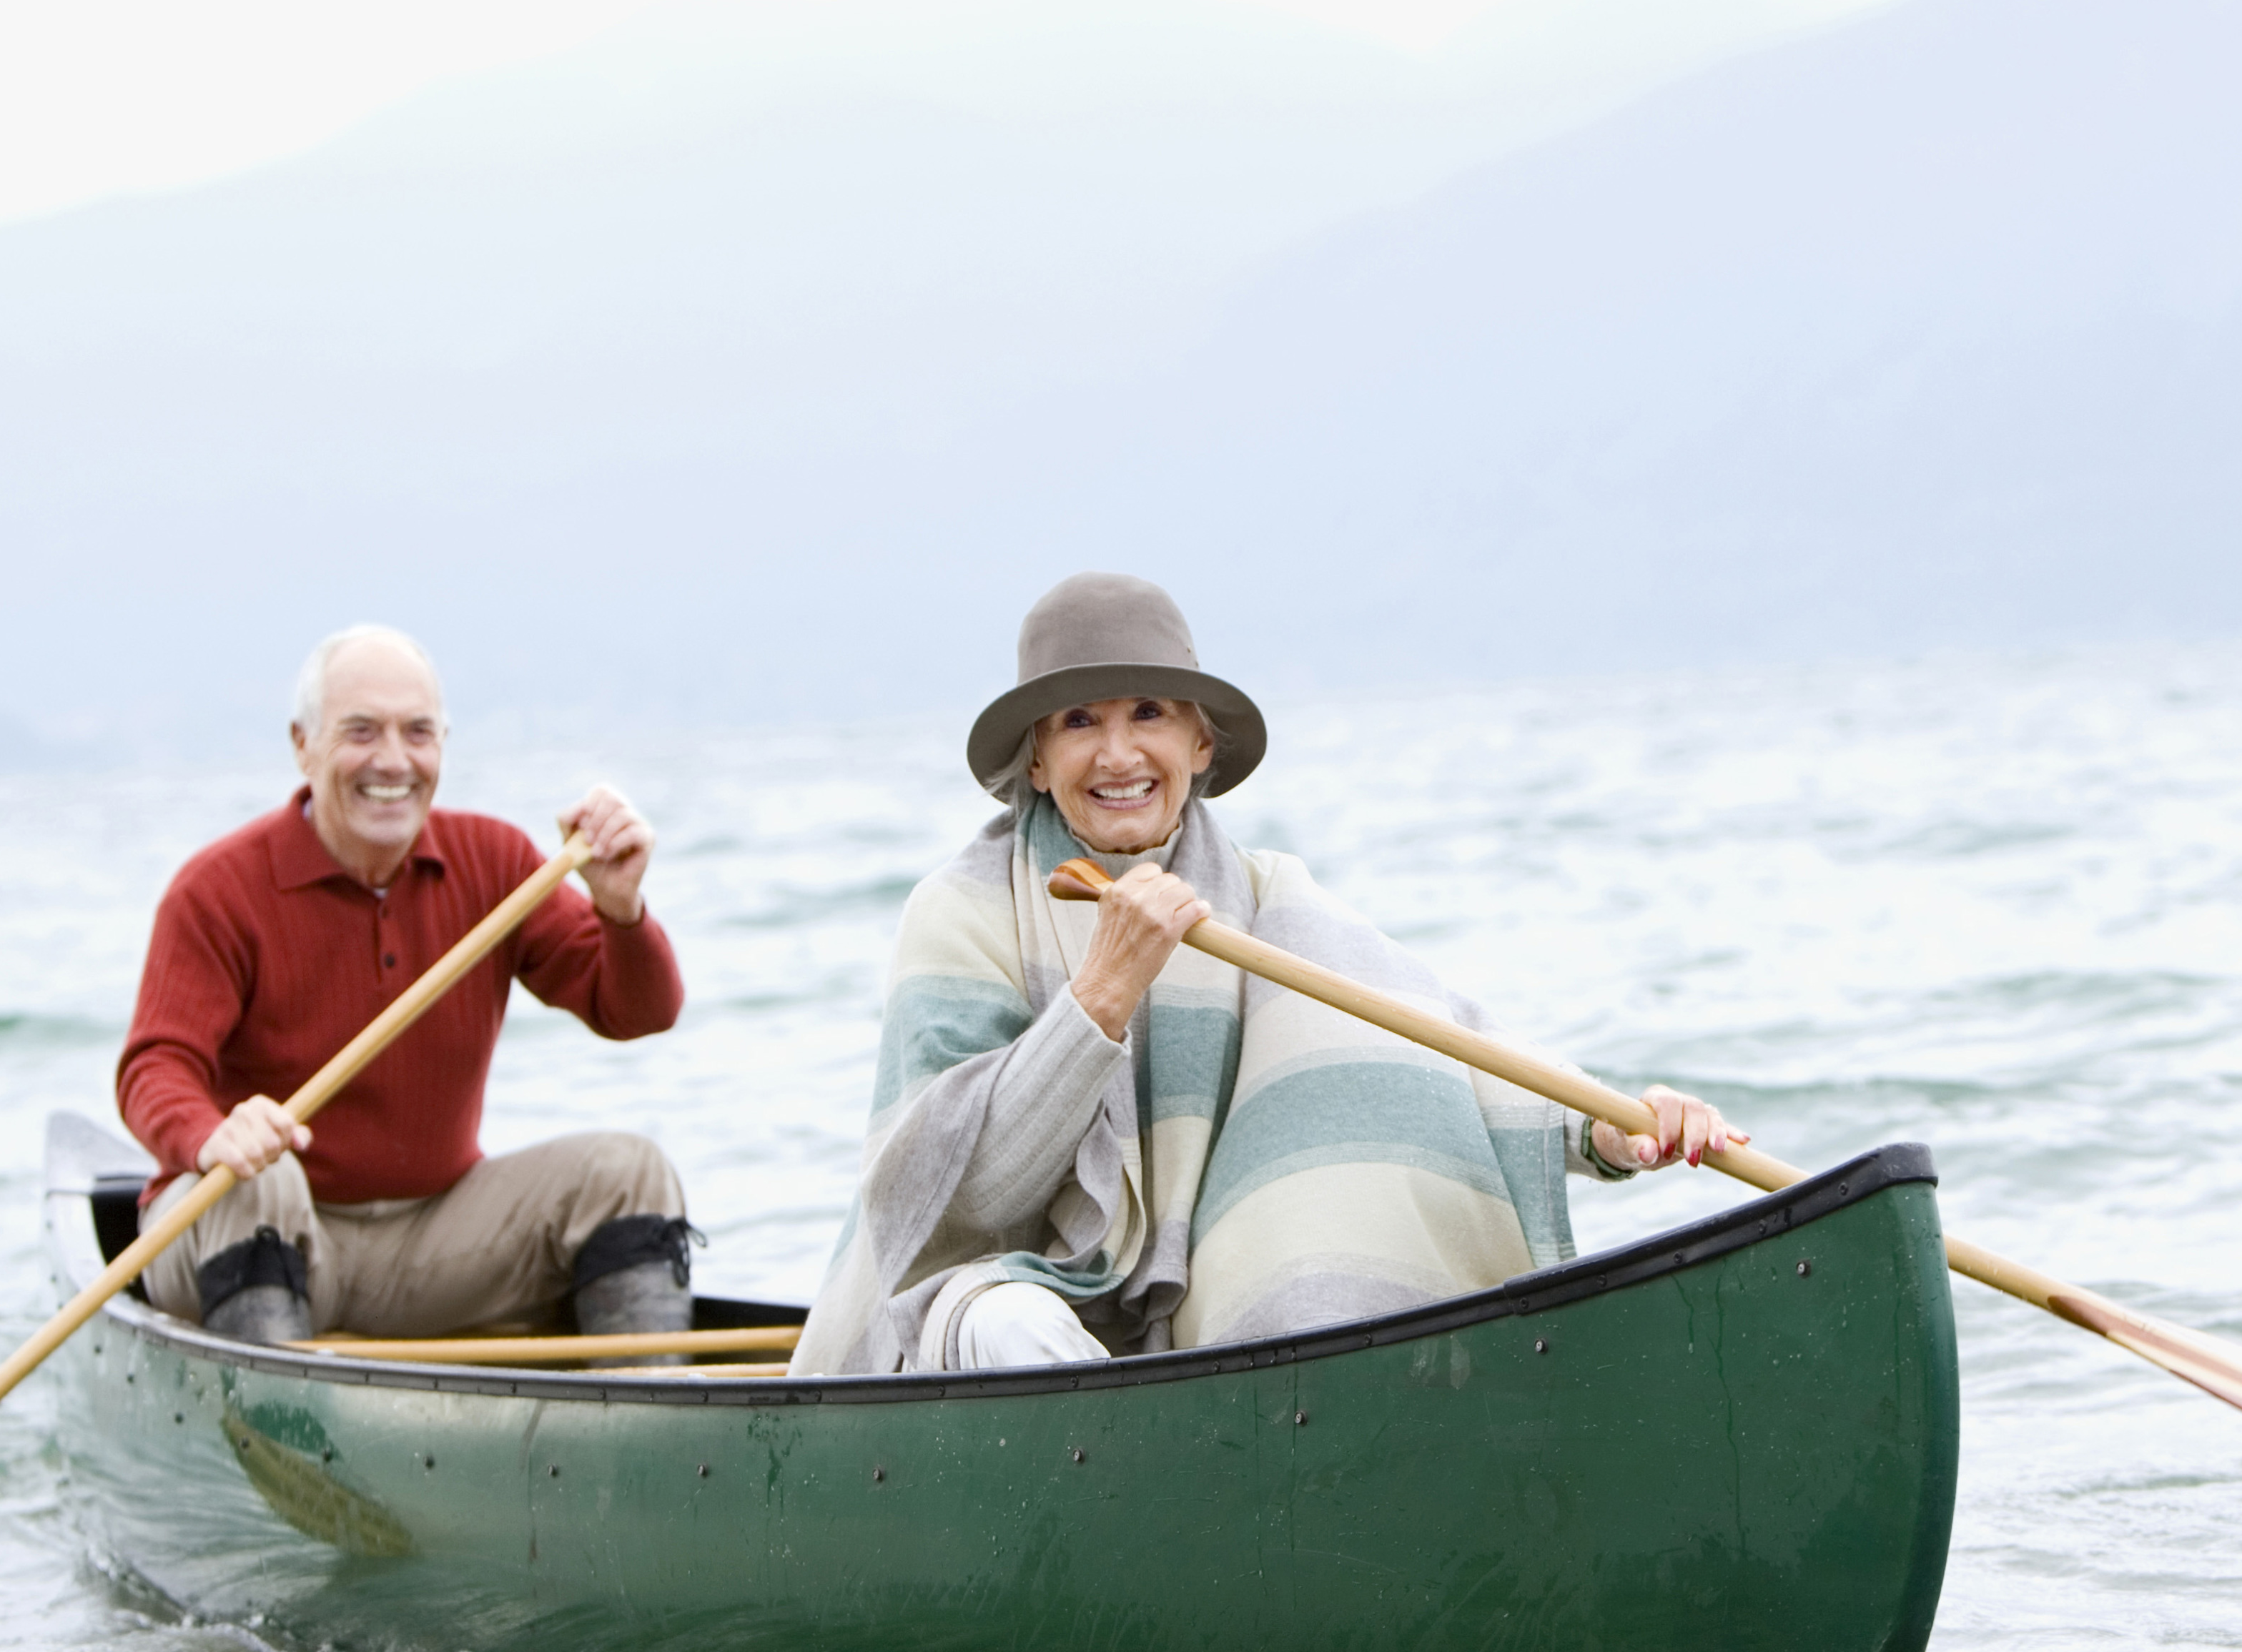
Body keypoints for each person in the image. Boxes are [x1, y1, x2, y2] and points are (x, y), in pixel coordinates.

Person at [791, 572, 1744, 1375]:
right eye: (1080, 720)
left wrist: (1611, 1126)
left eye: (1150, 715)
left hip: (1185, 1299)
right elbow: (945, 1203)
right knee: (1014, 1325)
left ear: (1200, 745)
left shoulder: (1263, 897)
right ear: (1036, 760)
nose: (1119, 753)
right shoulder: (960, 912)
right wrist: (1100, 1000)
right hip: (979, 1295)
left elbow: (1439, 1041)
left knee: (1312, 1284)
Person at [117, 625, 693, 1345]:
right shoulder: (216, 889)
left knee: (629, 1170)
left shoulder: (497, 861)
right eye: (360, 731)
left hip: (433, 1237)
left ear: (442, 743)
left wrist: (620, 907)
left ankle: (650, 1424)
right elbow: (153, 1067)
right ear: (303, 744)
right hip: (260, 1230)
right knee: (257, 1182)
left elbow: (638, 1010)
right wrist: (210, 1135)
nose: (393, 760)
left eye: (417, 732)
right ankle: (280, 1436)